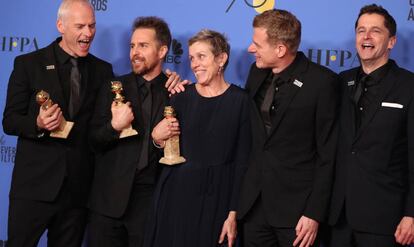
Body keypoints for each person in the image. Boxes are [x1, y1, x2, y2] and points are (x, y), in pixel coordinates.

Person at [2, 0, 114, 246]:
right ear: (60, 25)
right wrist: (38, 123)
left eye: (92, 26)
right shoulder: (28, 64)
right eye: (81, 26)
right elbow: (10, 121)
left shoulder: (103, 71)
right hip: (34, 188)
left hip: (77, 191)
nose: (88, 33)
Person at [237, 9, 339, 247]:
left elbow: (328, 155)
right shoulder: (256, 72)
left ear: (280, 49)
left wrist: (314, 213)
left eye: (257, 44)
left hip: (298, 212)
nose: (251, 50)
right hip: (255, 206)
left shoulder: (322, 83)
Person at [144, 29, 251, 247]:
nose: (194, 64)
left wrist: (233, 214)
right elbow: (163, 149)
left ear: (221, 58)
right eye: (191, 58)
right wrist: (156, 138)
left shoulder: (241, 102)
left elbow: (243, 163)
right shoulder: (181, 97)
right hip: (176, 195)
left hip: (217, 198)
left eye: (201, 57)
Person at [328, 4, 414, 247]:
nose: (366, 36)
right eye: (361, 30)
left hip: (385, 220)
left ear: (391, 42)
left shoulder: (409, 86)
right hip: (338, 218)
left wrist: (412, 214)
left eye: (375, 31)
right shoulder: (341, 82)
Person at [87, 16, 177, 247]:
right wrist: (114, 127)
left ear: (162, 51)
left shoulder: (176, 93)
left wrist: (158, 142)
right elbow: (93, 141)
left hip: (150, 205)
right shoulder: (112, 87)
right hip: (107, 205)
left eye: (143, 46)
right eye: (132, 46)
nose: (134, 52)